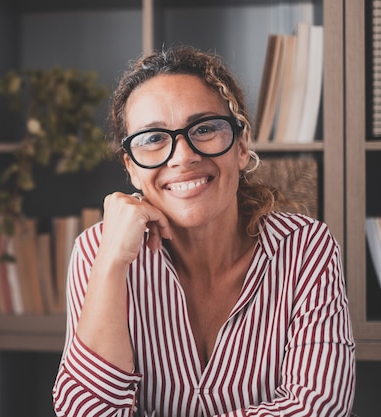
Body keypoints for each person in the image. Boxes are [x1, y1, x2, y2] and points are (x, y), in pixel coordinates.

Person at [52, 45, 356, 417]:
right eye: (153, 138)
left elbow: (318, 408)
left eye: (205, 128)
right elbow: (86, 411)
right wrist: (112, 264)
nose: (182, 156)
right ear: (131, 167)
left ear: (242, 146)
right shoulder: (98, 250)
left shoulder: (307, 248)